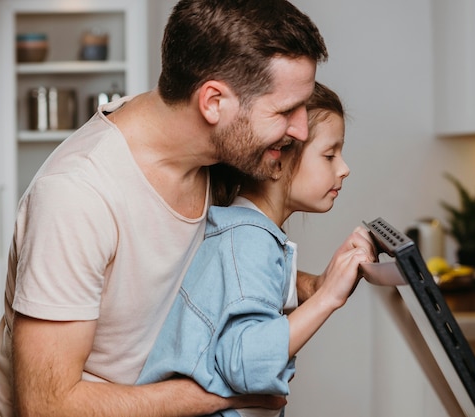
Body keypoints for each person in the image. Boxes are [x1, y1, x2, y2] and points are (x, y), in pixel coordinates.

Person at [0, 1, 376, 416]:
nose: (301, 131)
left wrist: (315, 286)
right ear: (213, 101)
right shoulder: (78, 196)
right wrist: (226, 393)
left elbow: (211, 272)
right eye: (286, 110)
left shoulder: (211, 153)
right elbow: (47, 408)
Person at [136, 82, 359, 417]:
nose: (344, 168)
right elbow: (247, 365)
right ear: (278, 159)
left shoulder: (245, 229)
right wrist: (329, 300)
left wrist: (320, 285)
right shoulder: (248, 241)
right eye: (329, 154)